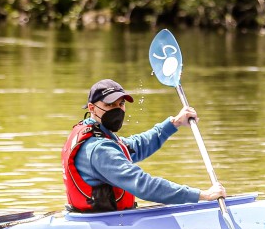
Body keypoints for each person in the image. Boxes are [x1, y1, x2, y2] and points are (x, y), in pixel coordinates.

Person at [62, 78, 225, 212]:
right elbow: (144, 185)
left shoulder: (95, 134)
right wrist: (202, 196)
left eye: (121, 104)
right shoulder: (99, 149)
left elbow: (135, 146)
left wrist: (174, 123)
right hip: (105, 226)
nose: (118, 110)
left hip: (100, 220)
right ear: (92, 108)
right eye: (110, 105)